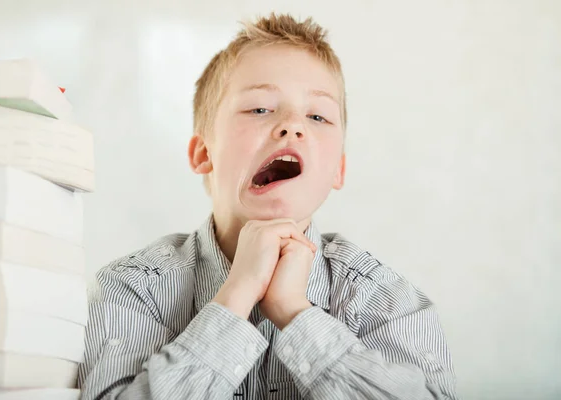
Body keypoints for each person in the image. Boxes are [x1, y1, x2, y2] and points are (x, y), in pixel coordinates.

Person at [78, 12, 458, 400]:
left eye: (317, 116)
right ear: (203, 153)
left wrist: (296, 313)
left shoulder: (386, 299)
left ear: (337, 171)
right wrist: (236, 295)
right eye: (260, 109)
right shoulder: (131, 289)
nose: (293, 125)